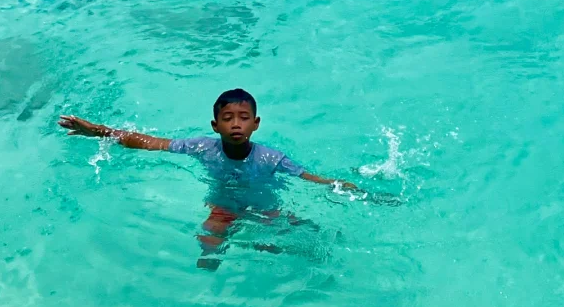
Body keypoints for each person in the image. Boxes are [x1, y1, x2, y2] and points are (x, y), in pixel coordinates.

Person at [59, 88, 366, 270]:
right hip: (223, 206)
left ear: (256, 124)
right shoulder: (201, 148)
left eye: (244, 118)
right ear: (215, 125)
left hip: (265, 206)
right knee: (208, 242)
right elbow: (150, 142)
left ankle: (328, 247)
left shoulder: (272, 158)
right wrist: (99, 131)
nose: (236, 124)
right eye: (228, 118)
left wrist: (338, 185)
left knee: (286, 242)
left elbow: (307, 177)